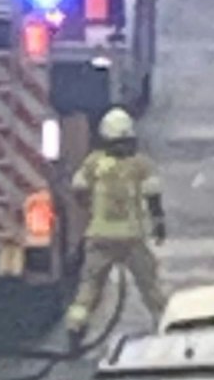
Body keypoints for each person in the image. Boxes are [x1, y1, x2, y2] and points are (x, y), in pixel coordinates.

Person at [64, 108, 167, 346]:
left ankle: (75, 327)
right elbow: (154, 197)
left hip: (99, 237)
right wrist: (159, 225)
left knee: (89, 287)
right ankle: (163, 324)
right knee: (150, 286)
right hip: (132, 237)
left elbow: (78, 188)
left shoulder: (94, 163)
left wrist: (89, 209)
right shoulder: (140, 164)